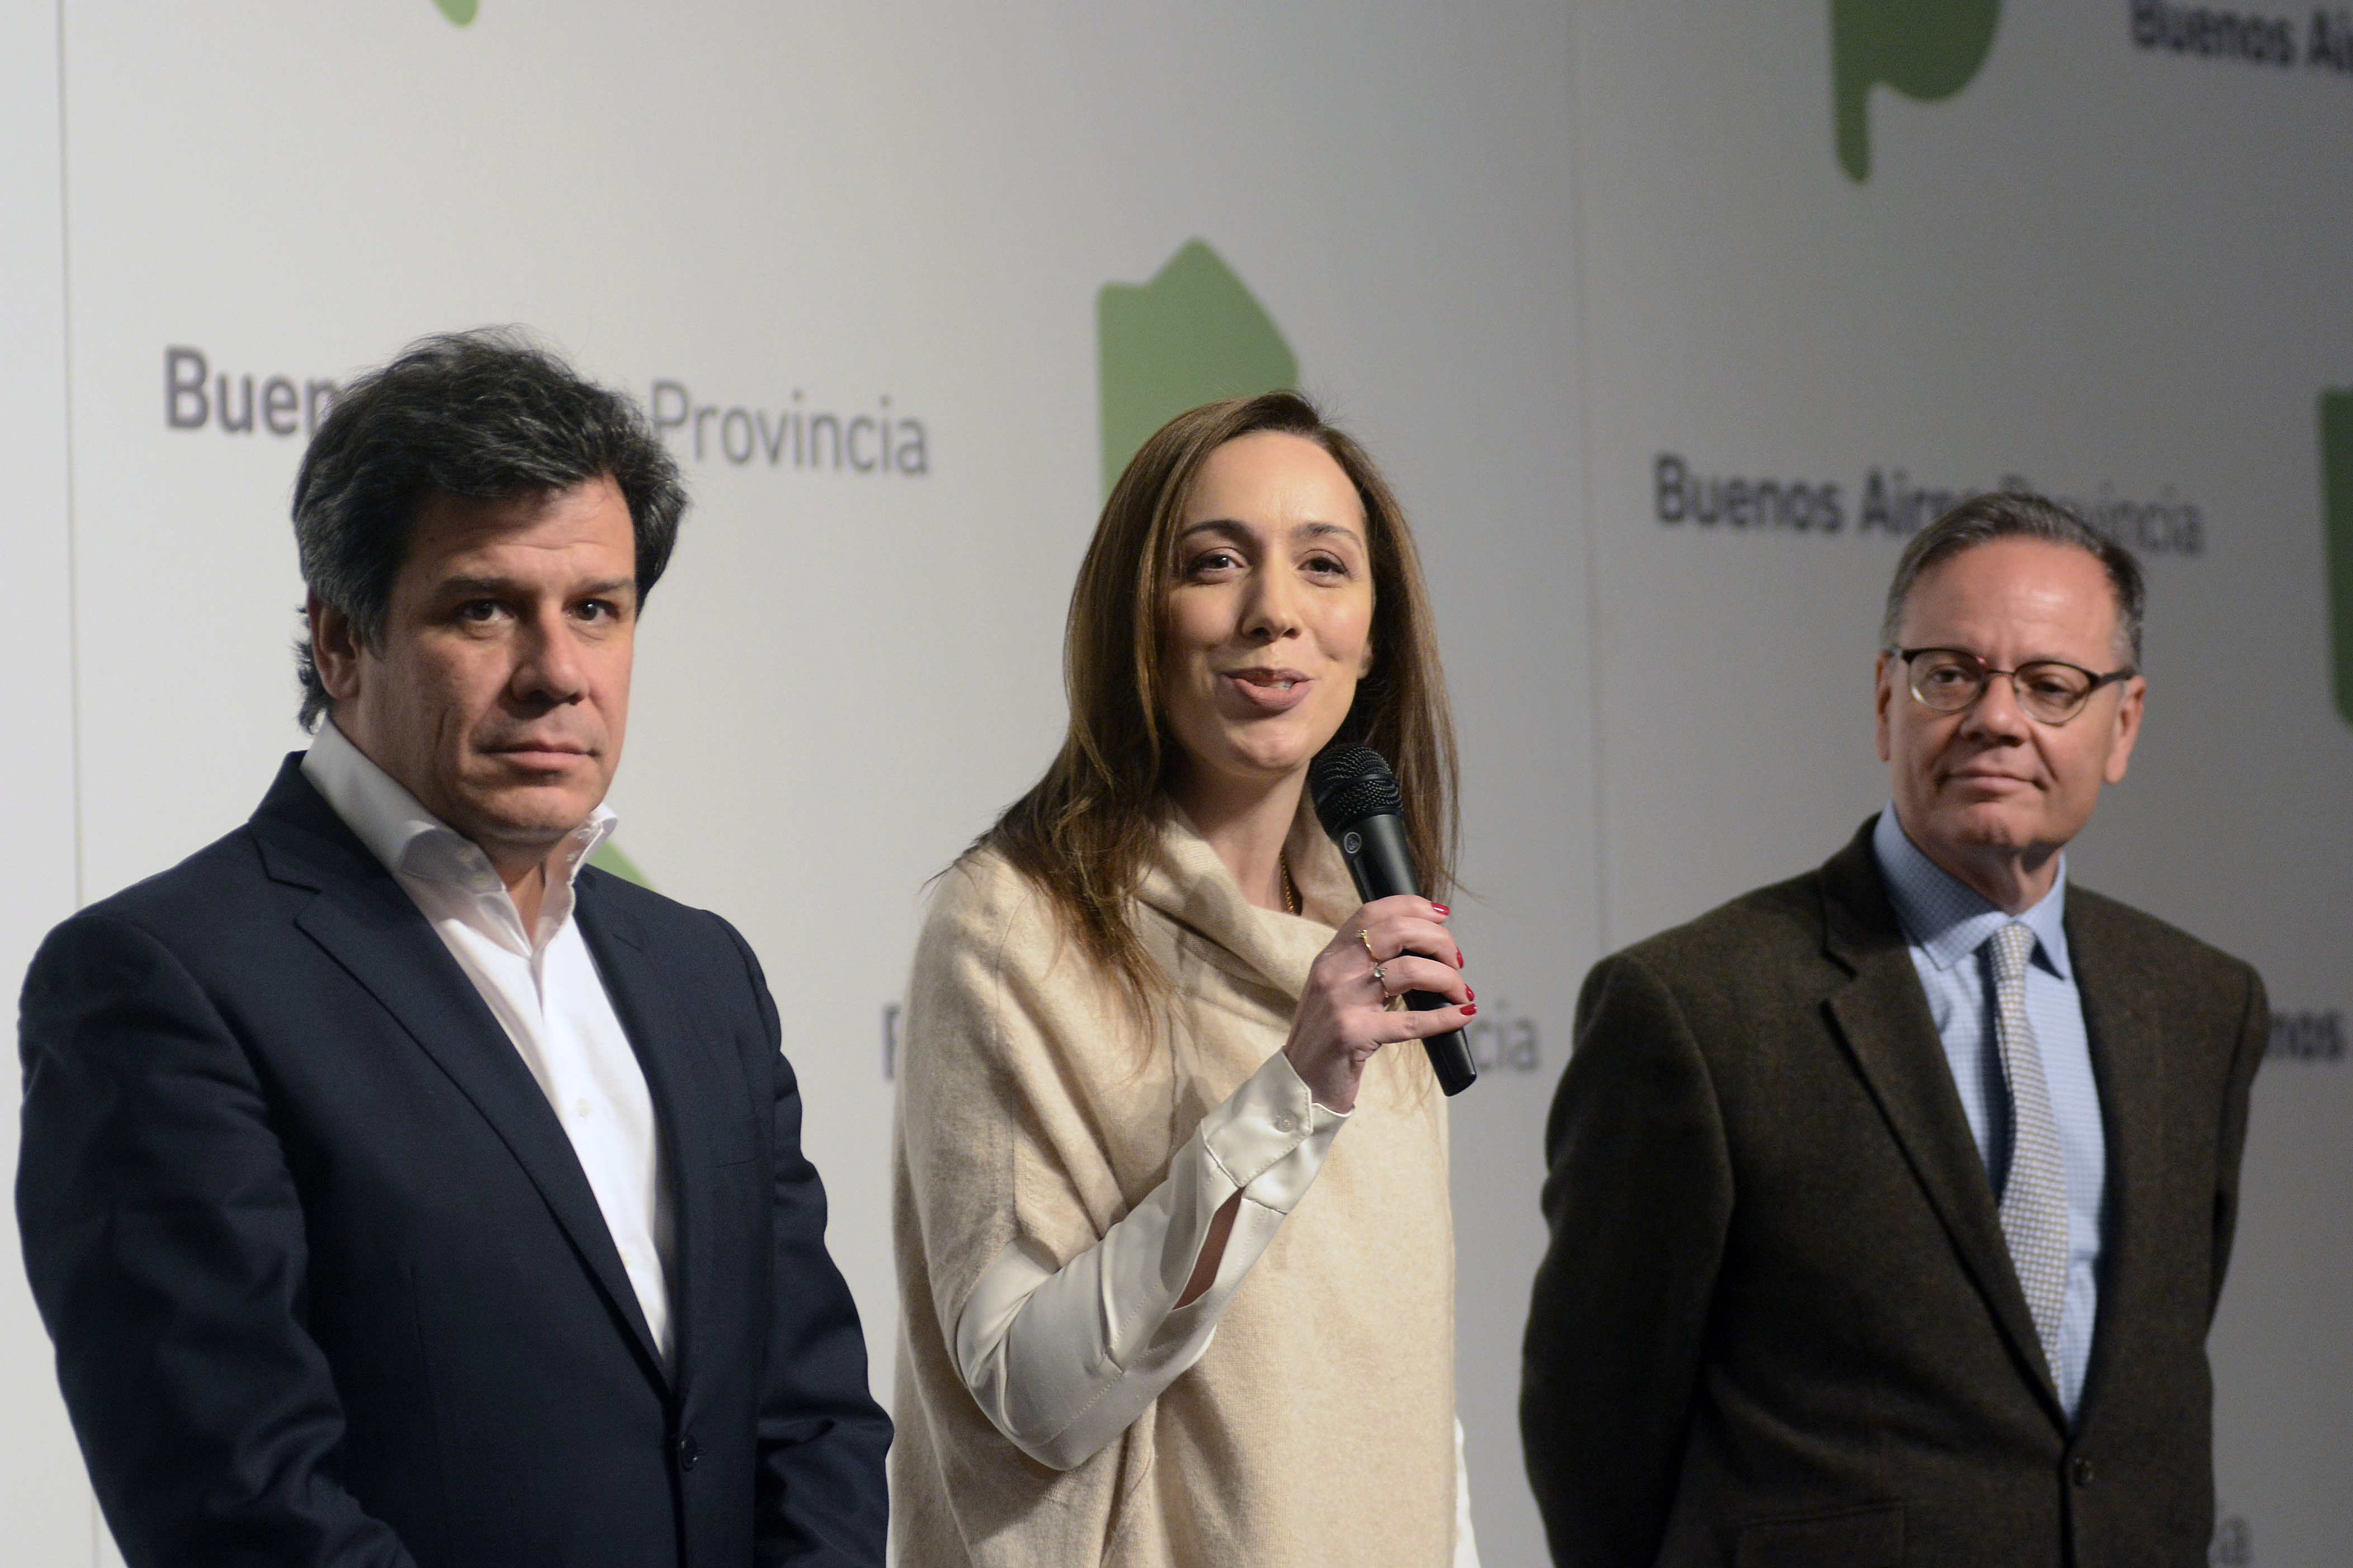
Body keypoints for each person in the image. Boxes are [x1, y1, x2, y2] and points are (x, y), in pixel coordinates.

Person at [16, 329, 891, 1568]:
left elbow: (811, 1419)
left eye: (597, 610)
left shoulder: (702, 974)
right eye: (484, 608)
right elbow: (240, 1502)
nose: (558, 673)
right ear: (340, 640)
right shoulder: (161, 980)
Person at [1520, 493, 2268, 1567]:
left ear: (2124, 724)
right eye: (1951, 676)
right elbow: (1594, 1434)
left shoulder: (2201, 1007)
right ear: (1886, 702)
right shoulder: (1696, 1008)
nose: (1997, 719)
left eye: (2051, 686)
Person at [891, 391, 1480, 1565]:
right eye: (1216, 562)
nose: (1275, 612)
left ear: (1373, 636)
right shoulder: (1011, 928)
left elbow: (1410, 1403)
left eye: (1324, 565)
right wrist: (1292, 1092)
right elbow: (1027, 1389)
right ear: (1139, 615)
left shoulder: (1374, 936)